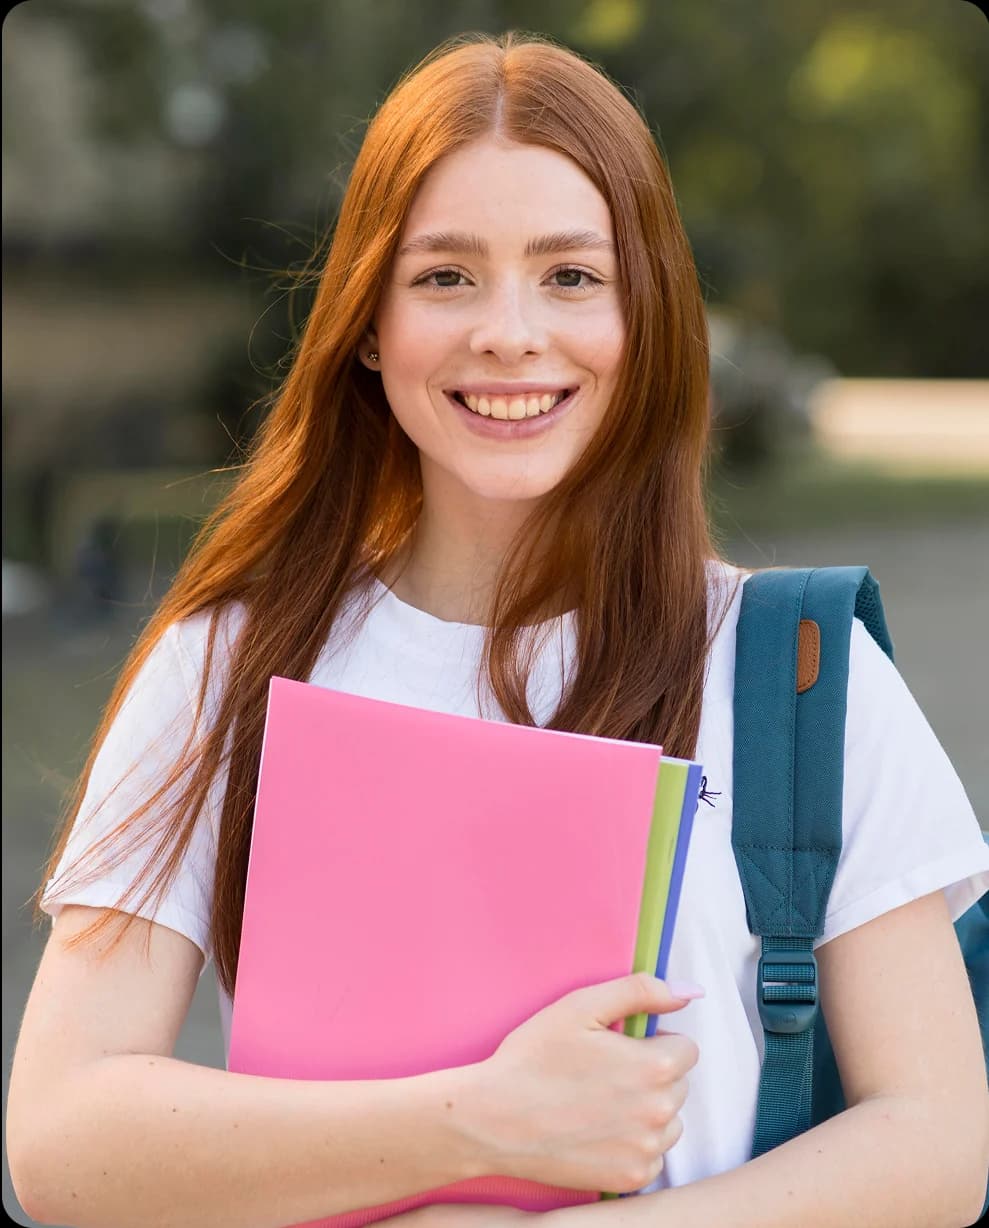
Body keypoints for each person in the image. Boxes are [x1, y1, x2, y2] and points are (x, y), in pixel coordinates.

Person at [7, 31, 988, 1228]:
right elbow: (58, 1138)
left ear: (649, 318)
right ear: (368, 323)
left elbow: (935, 1142)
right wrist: (476, 1118)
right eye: (445, 276)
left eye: (571, 276)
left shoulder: (793, 671)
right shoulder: (231, 661)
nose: (509, 333)